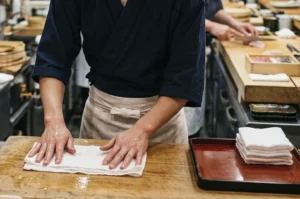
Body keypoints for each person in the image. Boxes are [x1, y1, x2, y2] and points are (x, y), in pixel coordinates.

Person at [29, 0, 206, 170]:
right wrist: (54, 122)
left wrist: (143, 130)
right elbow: (53, 57)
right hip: (99, 121)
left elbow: (184, 77)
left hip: (161, 129)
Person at [184, 0, 258, 137]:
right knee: (181, 126)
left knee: (192, 124)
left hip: (197, 54)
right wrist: (211, 26)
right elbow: (175, 14)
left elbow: (214, 8)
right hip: (178, 56)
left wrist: (236, 24)